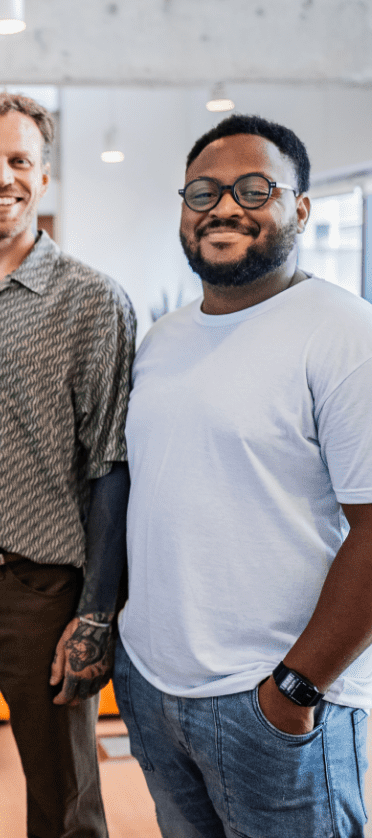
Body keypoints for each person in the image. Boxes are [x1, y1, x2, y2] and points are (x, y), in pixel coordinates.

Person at [115, 114, 372, 836]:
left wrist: (294, 688)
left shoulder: (344, 333)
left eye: (254, 188)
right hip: (155, 689)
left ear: (301, 208)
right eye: (203, 191)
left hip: (272, 704)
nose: (224, 206)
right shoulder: (162, 340)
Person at [0, 92, 135, 838]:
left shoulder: (91, 301)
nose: (0, 176)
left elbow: (111, 461)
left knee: (64, 806)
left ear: (45, 177)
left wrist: (96, 615)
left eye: (18, 160)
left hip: (41, 593)